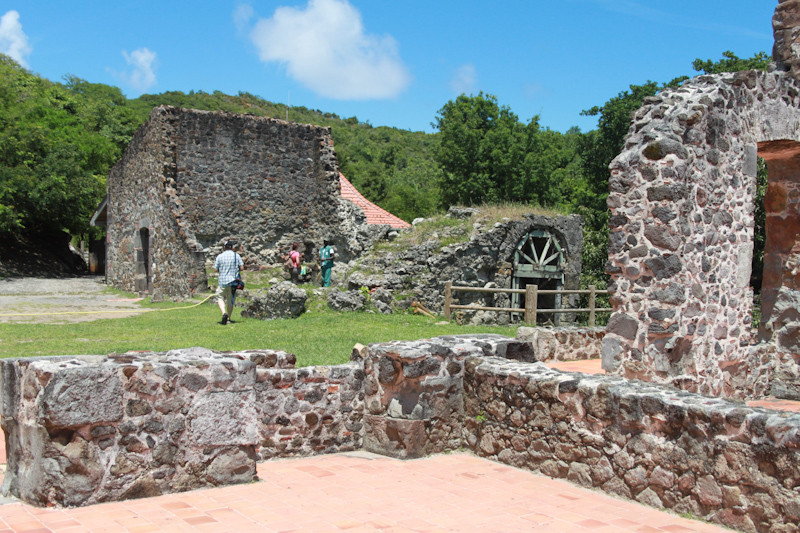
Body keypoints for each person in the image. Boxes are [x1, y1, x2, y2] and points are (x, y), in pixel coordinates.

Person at [214, 240, 243, 325]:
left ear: (224, 247)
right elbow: (241, 268)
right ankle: (228, 319)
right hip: (233, 281)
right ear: (232, 248)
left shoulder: (219, 256)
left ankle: (224, 313)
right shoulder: (236, 256)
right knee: (230, 300)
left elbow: (215, 269)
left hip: (222, 281)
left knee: (220, 297)